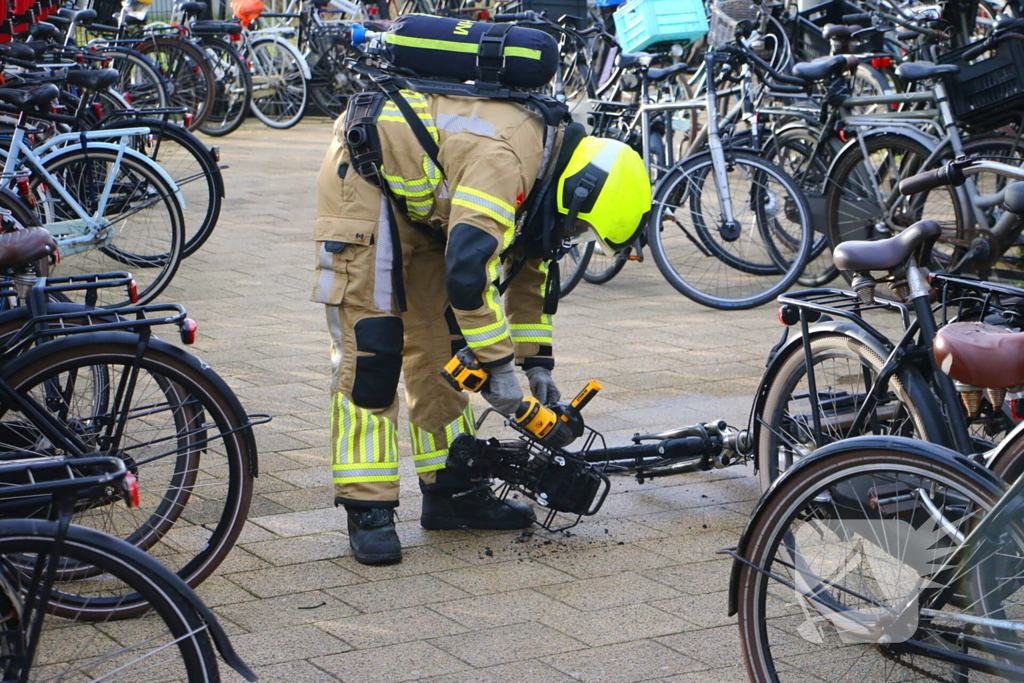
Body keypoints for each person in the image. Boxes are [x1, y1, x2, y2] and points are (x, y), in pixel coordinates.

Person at [314, 87, 650, 565]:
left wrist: (536, 366)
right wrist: (500, 371)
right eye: (581, 229)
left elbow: (533, 263)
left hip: (429, 204)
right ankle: (368, 506)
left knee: (442, 347)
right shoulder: (506, 161)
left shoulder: (550, 172)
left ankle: (452, 491)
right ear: (581, 193)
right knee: (374, 350)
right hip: (367, 179)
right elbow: (469, 274)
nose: (575, 236)